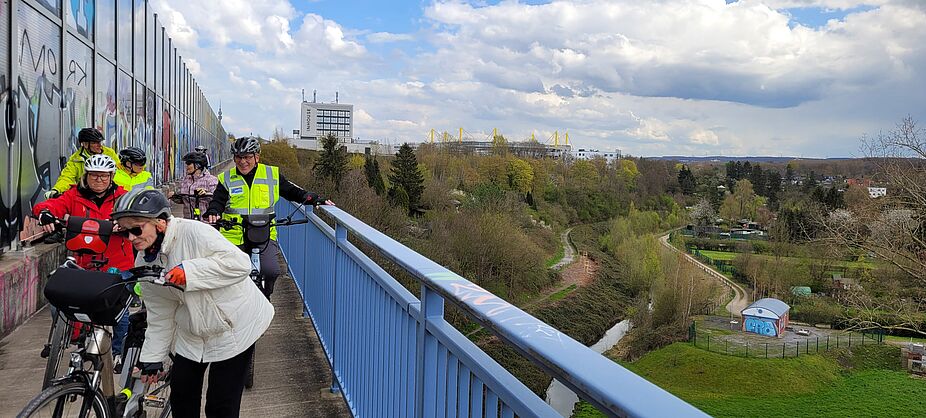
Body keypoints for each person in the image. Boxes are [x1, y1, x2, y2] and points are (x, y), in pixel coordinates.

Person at [111, 188, 273, 417]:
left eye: (136, 229)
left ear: (159, 222)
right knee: (182, 398)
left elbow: (239, 264)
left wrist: (189, 272)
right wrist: (152, 358)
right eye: (125, 232)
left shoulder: (194, 232)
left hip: (234, 326)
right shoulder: (144, 261)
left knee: (220, 405)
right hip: (193, 329)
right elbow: (160, 314)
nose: (131, 238)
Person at [32, 154, 134, 366]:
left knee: (118, 308)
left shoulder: (123, 197)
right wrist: (45, 214)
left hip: (117, 263)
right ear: (86, 176)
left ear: (112, 176)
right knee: (59, 302)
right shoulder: (73, 195)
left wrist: (125, 224)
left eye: (104, 176)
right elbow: (51, 205)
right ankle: (77, 337)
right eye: (94, 176)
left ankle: (118, 353)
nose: (99, 180)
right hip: (84, 263)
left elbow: (138, 217)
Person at [205, 136, 331, 298]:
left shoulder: (272, 174)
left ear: (257, 157)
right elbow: (218, 201)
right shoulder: (226, 178)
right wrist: (214, 211)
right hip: (234, 235)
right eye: (238, 157)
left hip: (264, 233)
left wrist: (311, 198)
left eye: (247, 157)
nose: (243, 162)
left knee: (271, 270)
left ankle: (265, 297)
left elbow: (291, 192)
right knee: (229, 272)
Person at [48, 128, 120, 199]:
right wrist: (56, 190)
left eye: (100, 142)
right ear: (85, 144)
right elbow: (67, 177)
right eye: (94, 143)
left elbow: (119, 173)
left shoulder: (109, 153)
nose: (99, 145)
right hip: (85, 194)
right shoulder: (76, 159)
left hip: (109, 192)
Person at [168, 152, 218, 219]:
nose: (186, 167)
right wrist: (174, 196)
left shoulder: (211, 180)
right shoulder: (186, 180)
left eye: (189, 164)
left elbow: (217, 200)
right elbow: (183, 200)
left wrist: (206, 193)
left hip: (204, 222)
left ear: (197, 165)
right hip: (188, 222)